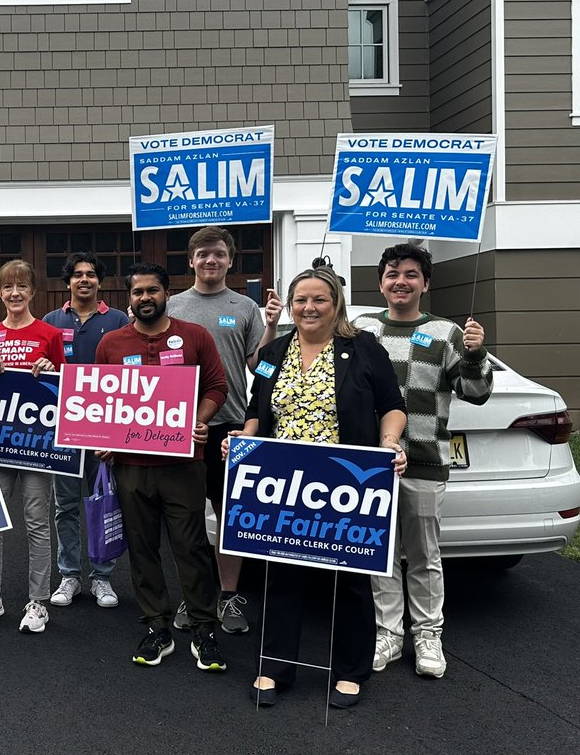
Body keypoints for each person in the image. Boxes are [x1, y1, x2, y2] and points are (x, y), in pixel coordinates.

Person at [225, 266, 407, 708]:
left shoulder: (362, 347)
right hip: (284, 484)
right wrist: (244, 438)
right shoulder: (275, 350)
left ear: (336, 304)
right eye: (300, 299)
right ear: (290, 305)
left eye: (319, 299)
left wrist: (388, 444)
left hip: (345, 481)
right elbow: (257, 408)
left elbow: (392, 405)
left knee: (348, 581)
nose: (309, 307)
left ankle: (350, 671)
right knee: (281, 576)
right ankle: (273, 667)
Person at [357, 242, 493, 679]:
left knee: (424, 555)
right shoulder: (359, 330)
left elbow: (475, 392)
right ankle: (388, 633)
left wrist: (474, 355)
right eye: (393, 273)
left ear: (425, 283)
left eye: (411, 274)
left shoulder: (447, 333)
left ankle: (428, 634)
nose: (401, 281)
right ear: (380, 282)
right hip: (368, 465)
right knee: (379, 553)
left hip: (424, 460)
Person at [95, 263, 230, 671]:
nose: (145, 298)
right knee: (142, 546)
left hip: (183, 464)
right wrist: (100, 438)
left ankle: (204, 628)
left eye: (152, 290)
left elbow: (217, 386)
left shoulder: (195, 336)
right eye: (137, 292)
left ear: (167, 293)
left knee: (190, 547)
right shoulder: (112, 344)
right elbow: (99, 401)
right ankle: (156, 626)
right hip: (132, 465)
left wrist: (200, 420)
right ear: (128, 298)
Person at [166, 226, 281, 635]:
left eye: (218, 254)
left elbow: (260, 368)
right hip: (178, 427)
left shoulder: (246, 308)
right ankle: (194, 594)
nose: (210, 261)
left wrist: (270, 327)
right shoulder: (172, 305)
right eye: (203, 255)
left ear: (230, 260)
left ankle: (229, 596)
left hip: (231, 425)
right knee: (187, 519)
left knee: (231, 516)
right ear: (191, 261)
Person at [0, 259, 65, 634]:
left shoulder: (49, 333)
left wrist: (51, 368)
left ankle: (38, 601)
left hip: (37, 444)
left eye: (22, 286)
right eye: (8, 287)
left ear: (33, 292)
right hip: (0, 444)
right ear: (0, 293)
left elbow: (62, 387)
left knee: (37, 523)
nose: (15, 293)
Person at [42, 252, 129, 609]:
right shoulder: (51, 320)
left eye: (91, 274)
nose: (84, 280)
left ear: (99, 281)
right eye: (77, 274)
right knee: (65, 505)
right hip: (63, 427)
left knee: (104, 500)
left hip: (103, 427)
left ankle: (102, 577)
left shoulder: (120, 320)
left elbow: (130, 376)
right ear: (68, 282)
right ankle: (69, 576)